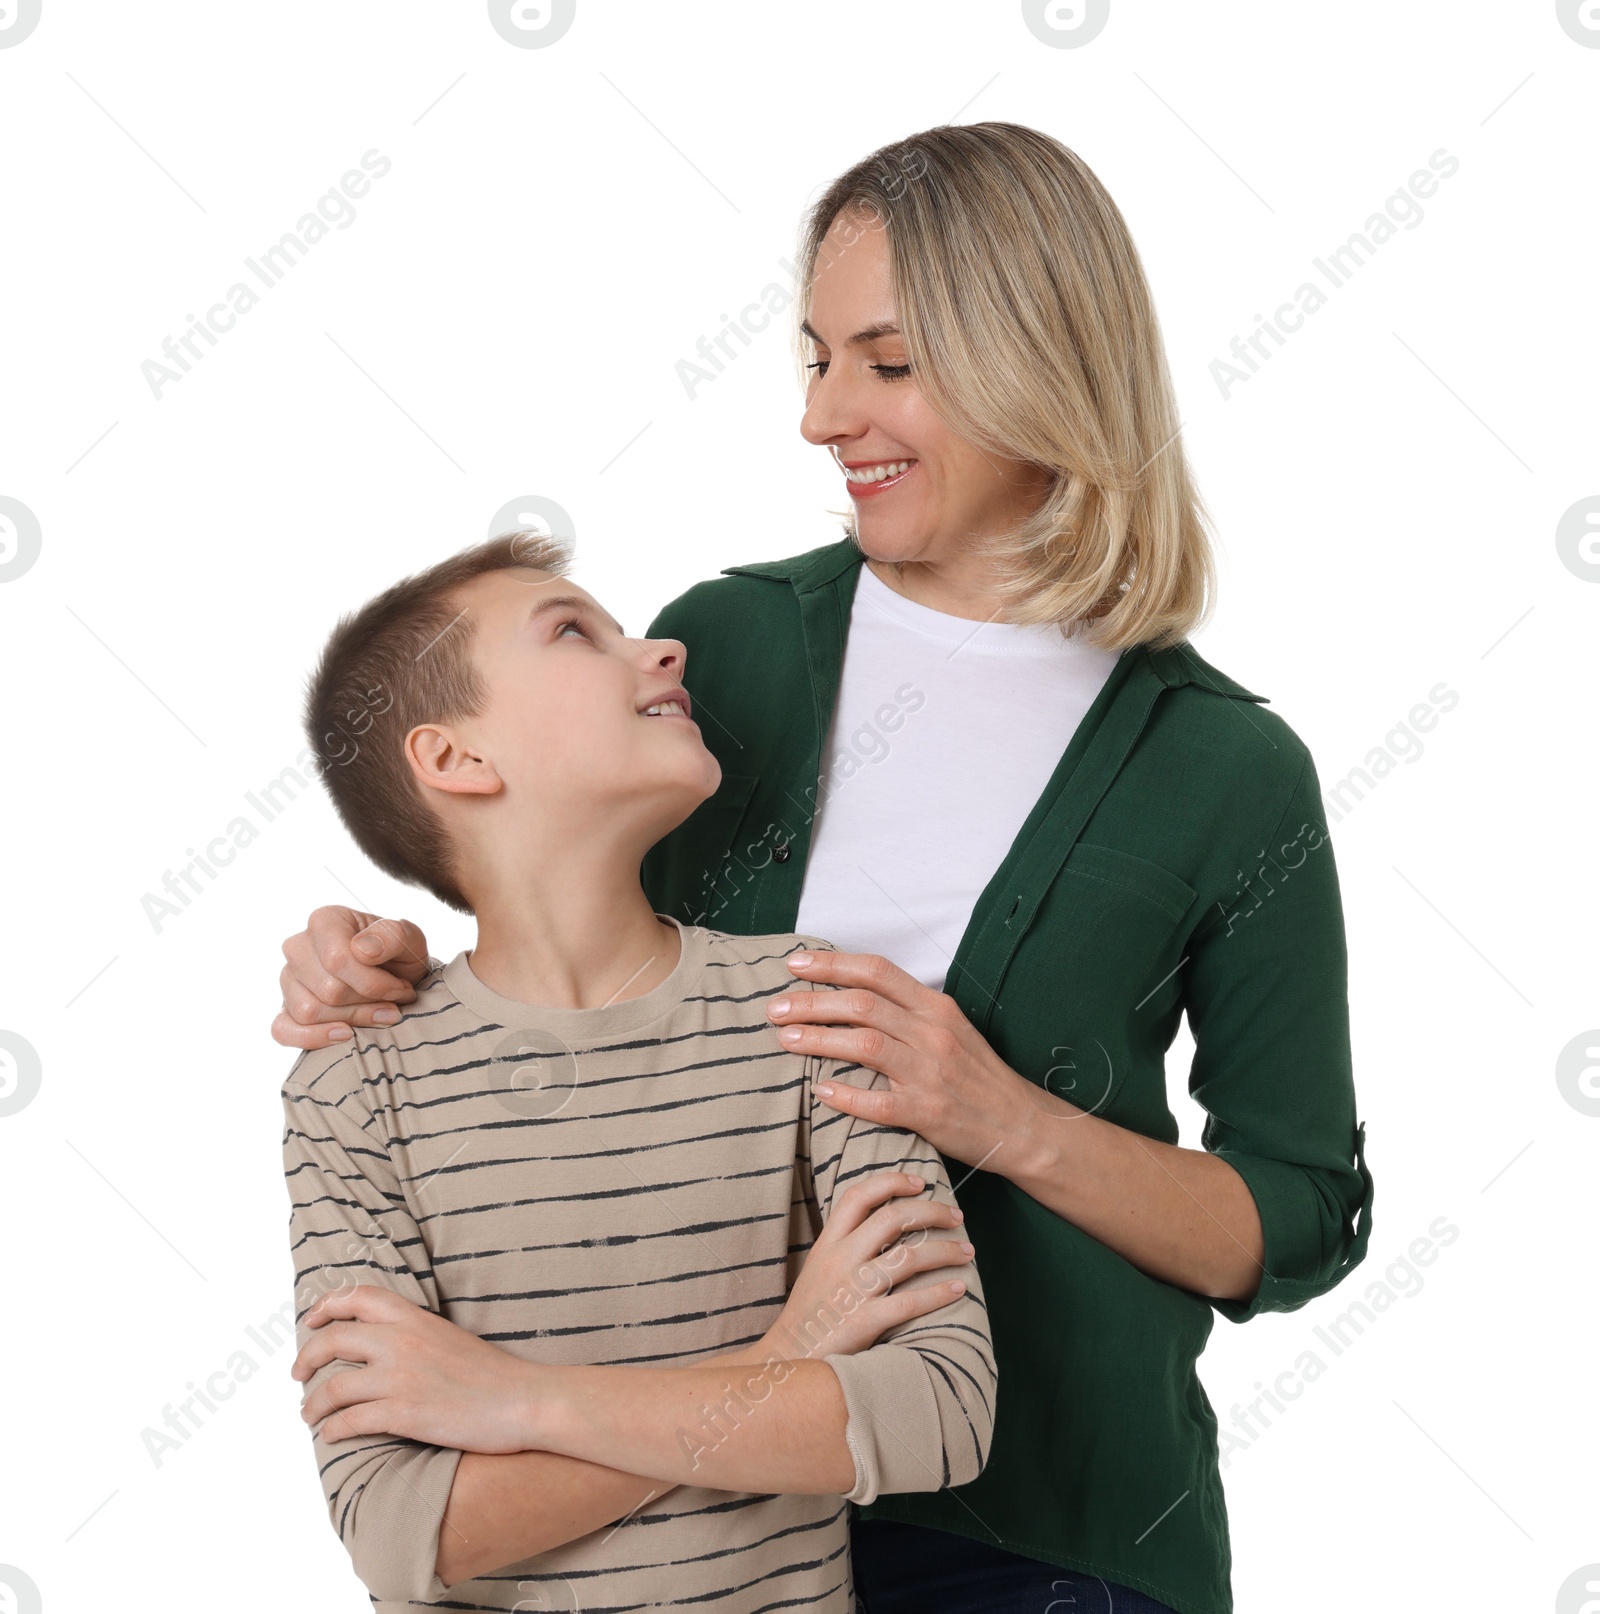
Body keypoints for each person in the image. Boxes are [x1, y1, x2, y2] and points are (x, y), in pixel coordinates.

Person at [273, 123, 1374, 1614]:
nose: (822, 417)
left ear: (1038, 356)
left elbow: (1300, 1214)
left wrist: (1004, 1115)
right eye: (814, 360)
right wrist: (394, 954)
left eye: (887, 361)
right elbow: (570, 919)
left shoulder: (1226, 772)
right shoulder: (723, 652)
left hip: (1052, 1534)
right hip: (699, 1525)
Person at [280, 532, 995, 1611]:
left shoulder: (818, 1008)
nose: (663, 651)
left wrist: (517, 1405)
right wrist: (785, 1354)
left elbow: (938, 1414)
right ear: (454, 759)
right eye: (573, 631)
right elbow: (400, 1534)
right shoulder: (355, 1086)